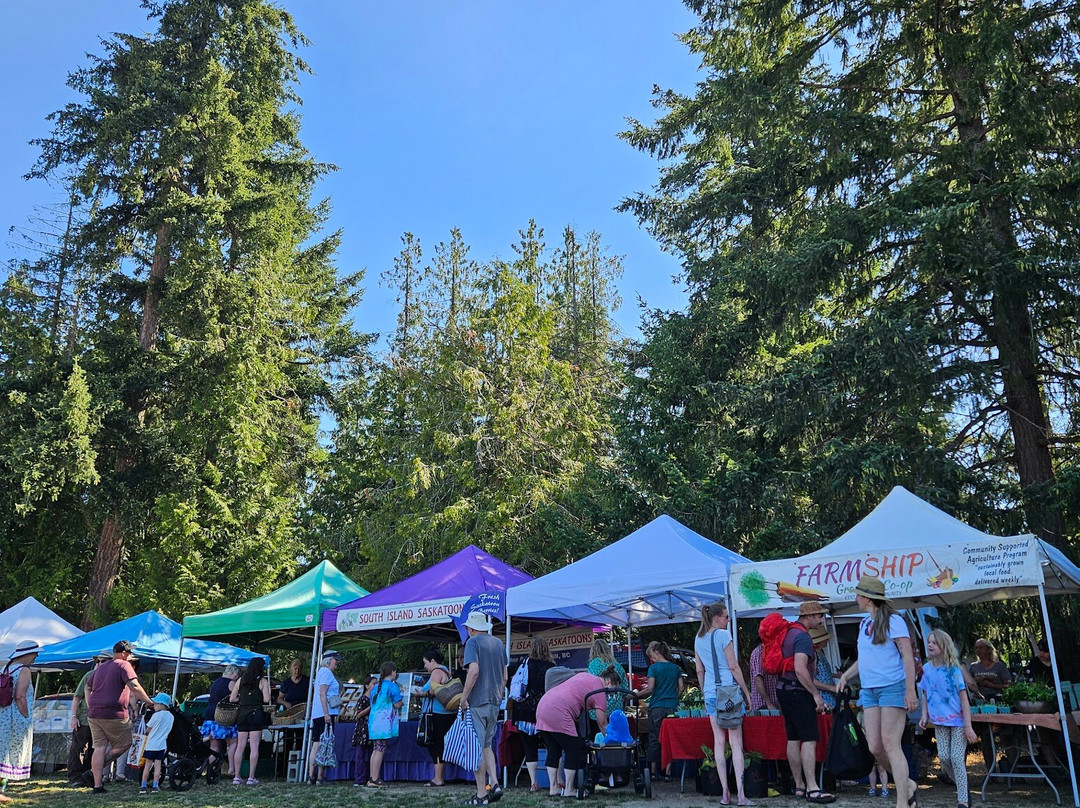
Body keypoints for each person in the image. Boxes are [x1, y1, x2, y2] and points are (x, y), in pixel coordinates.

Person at [837, 575, 918, 808]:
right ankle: (908, 783)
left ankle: (903, 802)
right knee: (874, 746)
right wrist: (845, 675)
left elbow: (907, 656)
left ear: (867, 598)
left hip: (893, 687)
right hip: (869, 690)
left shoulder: (895, 621)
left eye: (858, 595)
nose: (855, 598)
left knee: (891, 743)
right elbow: (864, 660)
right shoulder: (864, 624)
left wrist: (910, 690)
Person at [695, 600, 754, 807]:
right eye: (727, 616)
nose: (729, 620)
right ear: (718, 618)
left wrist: (704, 693)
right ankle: (741, 795)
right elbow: (734, 666)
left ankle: (725, 793)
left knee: (718, 743)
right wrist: (746, 692)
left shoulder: (699, 638)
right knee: (736, 743)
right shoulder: (723, 635)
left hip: (711, 693)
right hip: (728, 692)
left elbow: (699, 670)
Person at [775, 602, 833, 805]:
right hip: (798, 692)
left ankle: (799, 786)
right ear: (809, 616)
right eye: (819, 616)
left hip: (783, 689)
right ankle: (813, 788)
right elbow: (801, 669)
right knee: (809, 738)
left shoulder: (789, 632)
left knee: (793, 737)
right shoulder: (803, 637)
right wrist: (816, 695)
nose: (821, 620)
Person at [537, 666, 620, 798]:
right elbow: (602, 723)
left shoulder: (585, 676)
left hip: (543, 707)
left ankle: (553, 788)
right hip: (558, 711)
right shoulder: (599, 691)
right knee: (573, 748)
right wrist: (612, 742)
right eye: (613, 690)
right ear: (609, 682)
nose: (612, 694)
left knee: (554, 750)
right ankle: (569, 789)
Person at [918, 629, 977, 808]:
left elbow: (964, 698)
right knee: (944, 757)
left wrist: (968, 726)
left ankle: (963, 801)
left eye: (934, 643)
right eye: (929, 642)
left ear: (944, 646)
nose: (930, 645)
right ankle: (963, 787)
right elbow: (925, 694)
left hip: (958, 721)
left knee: (956, 758)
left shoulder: (953, 669)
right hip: (940, 722)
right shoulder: (926, 669)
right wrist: (923, 715)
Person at [86, 640, 151, 794]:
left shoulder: (101, 668)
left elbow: (88, 686)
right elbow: (134, 686)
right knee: (126, 743)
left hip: (94, 713)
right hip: (113, 713)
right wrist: (149, 702)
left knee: (99, 747)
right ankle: (96, 769)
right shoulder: (123, 665)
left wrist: (90, 703)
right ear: (123, 653)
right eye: (129, 653)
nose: (130, 656)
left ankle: (97, 785)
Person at [460, 611, 508, 806]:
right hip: (495, 701)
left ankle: (481, 794)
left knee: (475, 748)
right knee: (487, 745)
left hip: (477, 701)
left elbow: (474, 671)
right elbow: (505, 677)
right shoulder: (498, 643)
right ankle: (495, 784)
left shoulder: (472, 643)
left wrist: (464, 698)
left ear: (471, 628)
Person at [632, 640, 683, 781]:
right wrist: (674, 698)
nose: (651, 659)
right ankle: (668, 773)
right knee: (670, 739)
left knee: (654, 739)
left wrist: (636, 694)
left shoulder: (653, 669)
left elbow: (650, 689)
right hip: (672, 707)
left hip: (656, 708)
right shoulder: (675, 668)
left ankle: (653, 772)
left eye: (651, 656)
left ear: (656, 652)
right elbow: (681, 687)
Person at [512, 637, 555, 792]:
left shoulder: (524, 664)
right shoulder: (551, 667)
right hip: (545, 711)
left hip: (523, 711)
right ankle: (554, 782)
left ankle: (533, 783)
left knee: (529, 748)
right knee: (552, 747)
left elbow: (509, 677)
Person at [414, 647, 457, 787]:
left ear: (433, 661)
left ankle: (438, 778)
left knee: (436, 745)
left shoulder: (436, 672)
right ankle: (440, 777)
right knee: (441, 745)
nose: (425, 666)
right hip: (448, 713)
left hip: (438, 714)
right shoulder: (446, 671)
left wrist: (420, 693)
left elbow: (433, 690)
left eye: (426, 662)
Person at [0, 641, 40, 792]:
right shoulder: (24, 670)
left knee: (3, 752)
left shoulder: (6, 667)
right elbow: (20, 696)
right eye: (35, 653)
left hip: (3, 714)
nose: (36, 656)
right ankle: (1, 791)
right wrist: (26, 716)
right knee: (10, 753)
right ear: (27, 654)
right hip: (15, 716)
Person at [68, 653, 108, 785]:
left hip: (102, 719)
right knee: (78, 748)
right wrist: (73, 716)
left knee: (95, 749)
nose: (99, 664)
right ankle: (75, 778)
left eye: (103, 661)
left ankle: (89, 776)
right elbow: (77, 697)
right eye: (98, 661)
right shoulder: (89, 675)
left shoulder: (111, 677)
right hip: (84, 718)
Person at [229, 656, 270, 785]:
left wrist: (242, 700)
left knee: (240, 746)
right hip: (256, 714)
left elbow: (232, 699)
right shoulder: (262, 681)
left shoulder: (241, 680)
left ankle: (237, 776)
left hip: (242, 714)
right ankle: (251, 777)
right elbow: (266, 699)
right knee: (254, 746)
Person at [367, 661, 403, 789]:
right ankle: (375, 778)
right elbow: (398, 703)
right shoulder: (392, 686)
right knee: (380, 750)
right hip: (384, 722)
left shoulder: (375, 687)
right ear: (392, 671)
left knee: (375, 749)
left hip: (373, 722)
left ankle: (372, 777)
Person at [308, 649, 342, 785]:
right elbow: (323, 693)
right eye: (335, 660)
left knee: (316, 744)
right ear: (329, 660)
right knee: (324, 743)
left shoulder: (320, 672)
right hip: (325, 713)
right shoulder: (327, 673)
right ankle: (320, 777)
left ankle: (311, 776)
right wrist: (327, 713)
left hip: (317, 713)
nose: (337, 663)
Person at [201, 665, 240, 778]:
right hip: (223, 716)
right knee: (232, 743)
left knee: (214, 745)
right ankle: (231, 769)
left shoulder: (215, 682)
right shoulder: (231, 683)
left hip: (209, 714)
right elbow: (234, 698)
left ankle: (212, 769)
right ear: (234, 673)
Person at [139, 694, 175, 795]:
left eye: (155, 703)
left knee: (148, 765)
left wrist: (146, 733)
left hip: (151, 745)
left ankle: (143, 785)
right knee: (158, 765)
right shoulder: (171, 717)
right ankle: (155, 785)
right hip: (162, 745)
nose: (153, 705)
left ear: (161, 704)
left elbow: (148, 729)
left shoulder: (155, 716)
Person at [587, 638, 628, 720]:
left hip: (598, 712)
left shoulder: (593, 665)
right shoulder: (617, 665)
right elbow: (625, 691)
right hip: (616, 710)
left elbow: (591, 688)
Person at [351, 675, 376, 787]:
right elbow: (358, 714)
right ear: (367, 686)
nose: (375, 686)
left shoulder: (374, 698)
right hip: (362, 730)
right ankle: (359, 779)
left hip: (371, 728)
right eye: (373, 684)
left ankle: (371, 777)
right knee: (360, 755)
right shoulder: (363, 699)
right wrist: (370, 707)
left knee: (372, 754)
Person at [808, 625, 837, 710]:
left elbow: (822, 673)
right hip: (822, 695)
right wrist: (830, 687)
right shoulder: (813, 655)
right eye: (825, 639)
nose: (827, 640)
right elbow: (810, 679)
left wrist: (836, 675)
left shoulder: (821, 652)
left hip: (830, 693)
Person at [749, 643, 779, 712]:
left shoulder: (773, 651)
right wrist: (769, 703)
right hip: (763, 707)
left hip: (774, 704)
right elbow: (758, 679)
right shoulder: (759, 653)